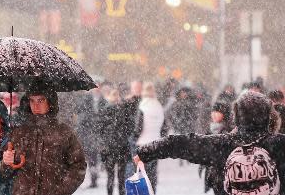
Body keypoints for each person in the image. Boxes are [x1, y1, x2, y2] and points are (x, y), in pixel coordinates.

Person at [134, 91, 285, 195]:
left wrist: (145, 152)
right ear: (268, 116)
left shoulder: (222, 143)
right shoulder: (279, 144)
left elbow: (179, 143)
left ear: (237, 116)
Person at [0, 90, 86, 195]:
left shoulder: (64, 132)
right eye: (32, 101)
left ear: (50, 102)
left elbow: (78, 166)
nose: (35, 106)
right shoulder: (19, 132)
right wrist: (5, 163)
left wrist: (60, 191)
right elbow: (3, 173)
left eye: (40, 100)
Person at [134, 82, 167, 192]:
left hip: (142, 143)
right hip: (156, 143)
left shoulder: (142, 106)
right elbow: (164, 127)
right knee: (153, 173)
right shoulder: (159, 106)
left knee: (141, 173)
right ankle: (153, 191)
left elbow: (138, 127)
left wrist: (134, 138)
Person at [98, 86, 130, 195]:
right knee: (121, 176)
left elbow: (99, 129)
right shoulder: (124, 111)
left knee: (110, 176)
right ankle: (121, 193)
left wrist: (103, 143)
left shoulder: (104, 110)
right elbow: (129, 128)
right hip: (121, 147)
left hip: (109, 148)